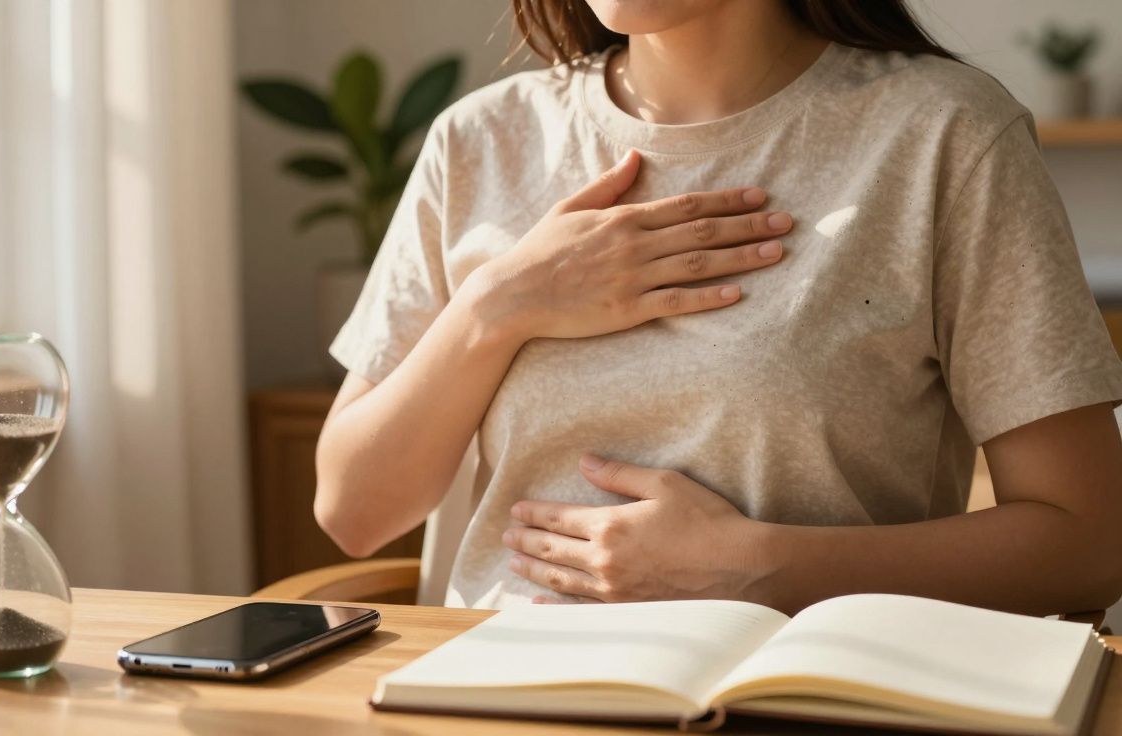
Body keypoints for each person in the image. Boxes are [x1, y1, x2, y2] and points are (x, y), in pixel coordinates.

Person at [313, 0, 1122, 614]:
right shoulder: (481, 141)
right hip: (499, 699)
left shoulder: (943, 134)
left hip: (811, 701)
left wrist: (763, 566)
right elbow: (353, 510)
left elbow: (1087, 539)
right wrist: (499, 304)